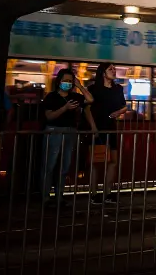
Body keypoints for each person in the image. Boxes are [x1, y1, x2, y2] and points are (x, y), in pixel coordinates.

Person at [42, 68, 94, 204]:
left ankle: (60, 196)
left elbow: (90, 99)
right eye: (65, 80)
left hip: (70, 132)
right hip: (54, 131)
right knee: (50, 165)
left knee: (65, 165)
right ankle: (45, 196)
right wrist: (64, 108)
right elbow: (49, 116)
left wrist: (79, 85)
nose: (68, 83)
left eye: (70, 81)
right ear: (58, 81)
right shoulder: (51, 97)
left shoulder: (75, 97)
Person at [88, 63, 132, 203]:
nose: (114, 71)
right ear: (102, 72)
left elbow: (124, 106)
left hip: (111, 126)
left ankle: (107, 193)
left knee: (113, 161)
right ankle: (94, 194)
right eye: (110, 69)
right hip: (97, 128)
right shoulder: (93, 89)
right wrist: (93, 126)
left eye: (114, 69)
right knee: (95, 161)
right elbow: (86, 109)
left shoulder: (117, 88)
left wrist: (118, 112)